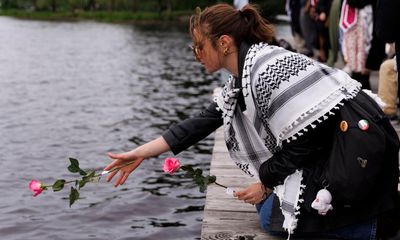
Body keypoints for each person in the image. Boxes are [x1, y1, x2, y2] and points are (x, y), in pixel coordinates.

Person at [103, 3, 399, 239]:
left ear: (223, 43)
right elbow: (203, 121)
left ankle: (375, 228)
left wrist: (267, 180)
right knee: (266, 204)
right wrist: (139, 153)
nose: (196, 55)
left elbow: (306, 143)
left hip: (358, 153)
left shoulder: (264, 71)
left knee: (270, 216)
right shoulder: (243, 75)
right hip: (339, 149)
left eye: (198, 46)